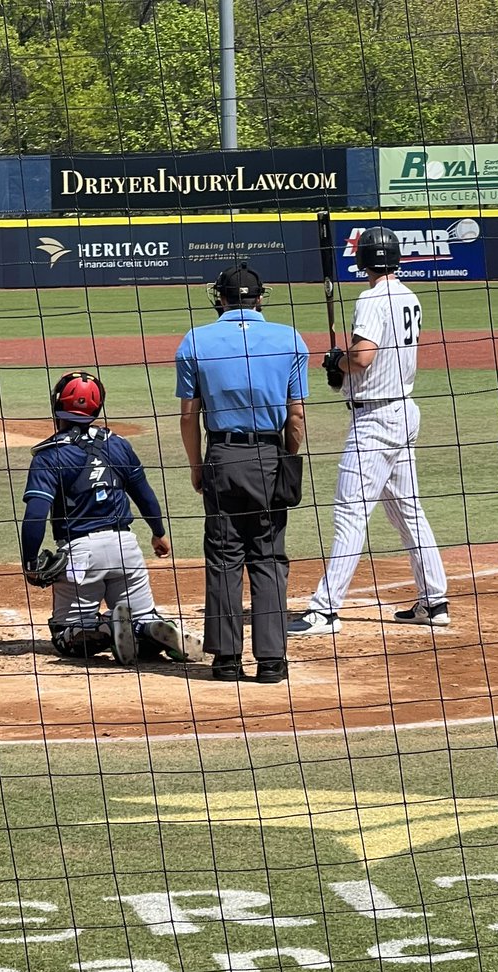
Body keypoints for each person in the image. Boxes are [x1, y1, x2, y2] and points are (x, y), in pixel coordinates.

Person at [287, 226, 449, 636]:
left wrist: (336, 363)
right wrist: (341, 365)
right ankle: (434, 601)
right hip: (404, 412)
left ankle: (324, 611)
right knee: (408, 511)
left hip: (375, 422)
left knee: (349, 514)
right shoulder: (410, 297)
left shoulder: (371, 298)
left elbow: (362, 358)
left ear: (362, 260)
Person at [176, 262, 308, 684]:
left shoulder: (195, 340)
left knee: (223, 557)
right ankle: (271, 662)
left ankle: (227, 660)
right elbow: (297, 416)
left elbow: (188, 416)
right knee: (268, 557)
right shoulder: (289, 339)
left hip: (221, 456)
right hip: (269, 456)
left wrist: (198, 466)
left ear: (220, 299)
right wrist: (286, 459)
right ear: (260, 298)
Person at [21, 370, 203, 667]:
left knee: (67, 634)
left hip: (80, 554)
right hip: (126, 547)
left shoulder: (49, 455)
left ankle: (103, 628)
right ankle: (146, 627)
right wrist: (158, 532)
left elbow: (36, 515)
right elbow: (144, 493)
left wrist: (30, 561)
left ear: (57, 405)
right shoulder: (117, 444)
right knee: (143, 613)